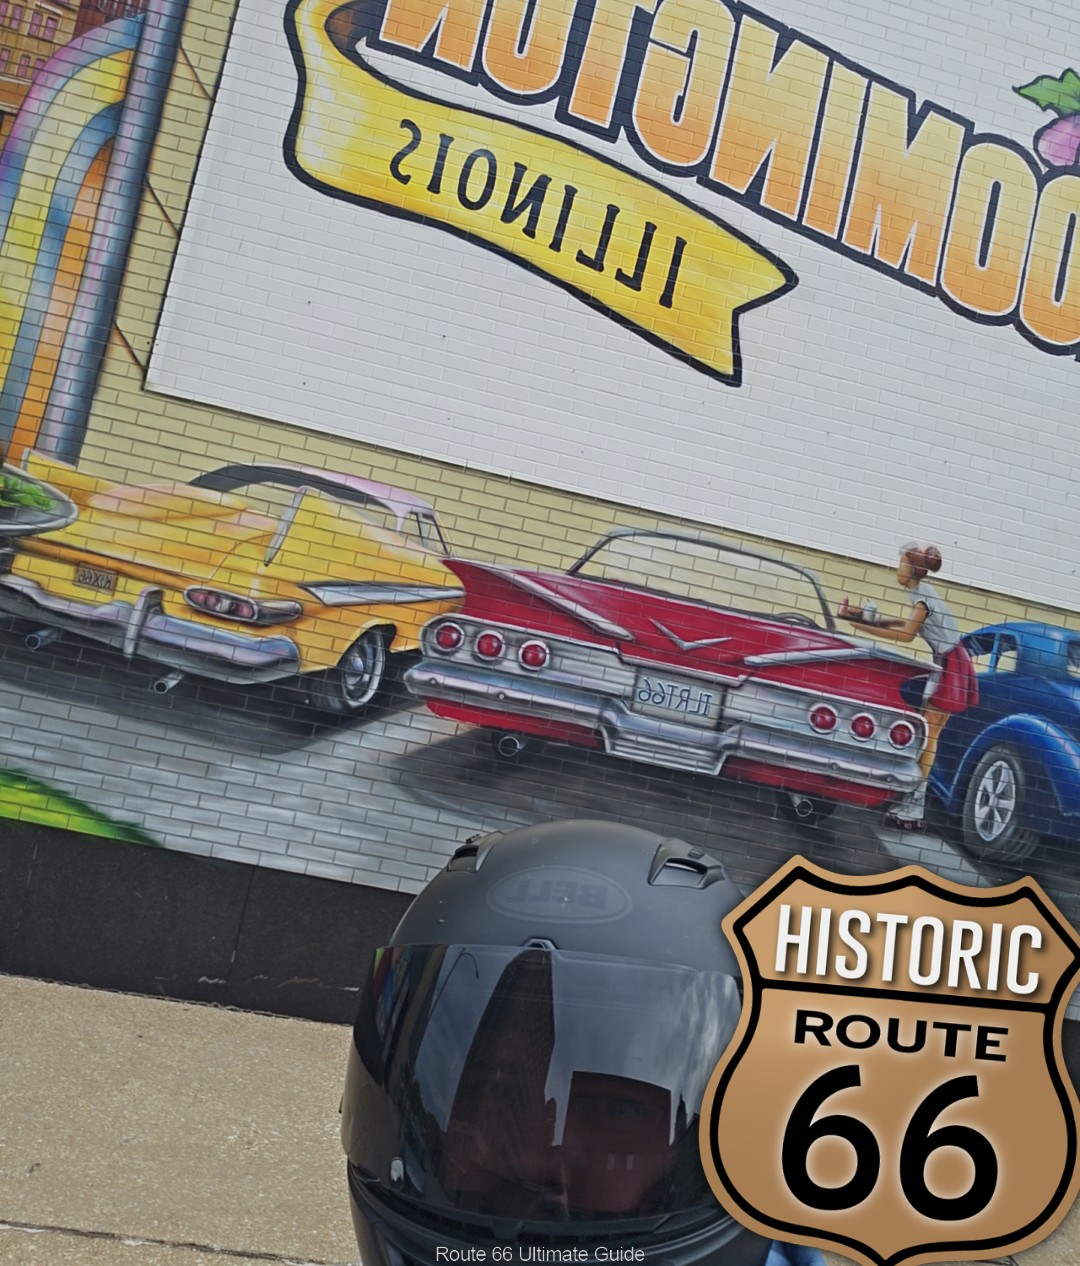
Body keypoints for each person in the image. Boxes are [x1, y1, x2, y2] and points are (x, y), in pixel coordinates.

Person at [840, 543, 978, 830]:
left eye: (901, 564)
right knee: (928, 734)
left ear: (912, 569)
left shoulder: (923, 599)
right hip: (951, 662)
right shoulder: (922, 593)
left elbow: (906, 634)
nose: (898, 570)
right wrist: (864, 617)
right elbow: (906, 623)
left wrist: (861, 627)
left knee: (929, 736)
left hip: (950, 666)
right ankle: (912, 801)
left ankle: (914, 807)